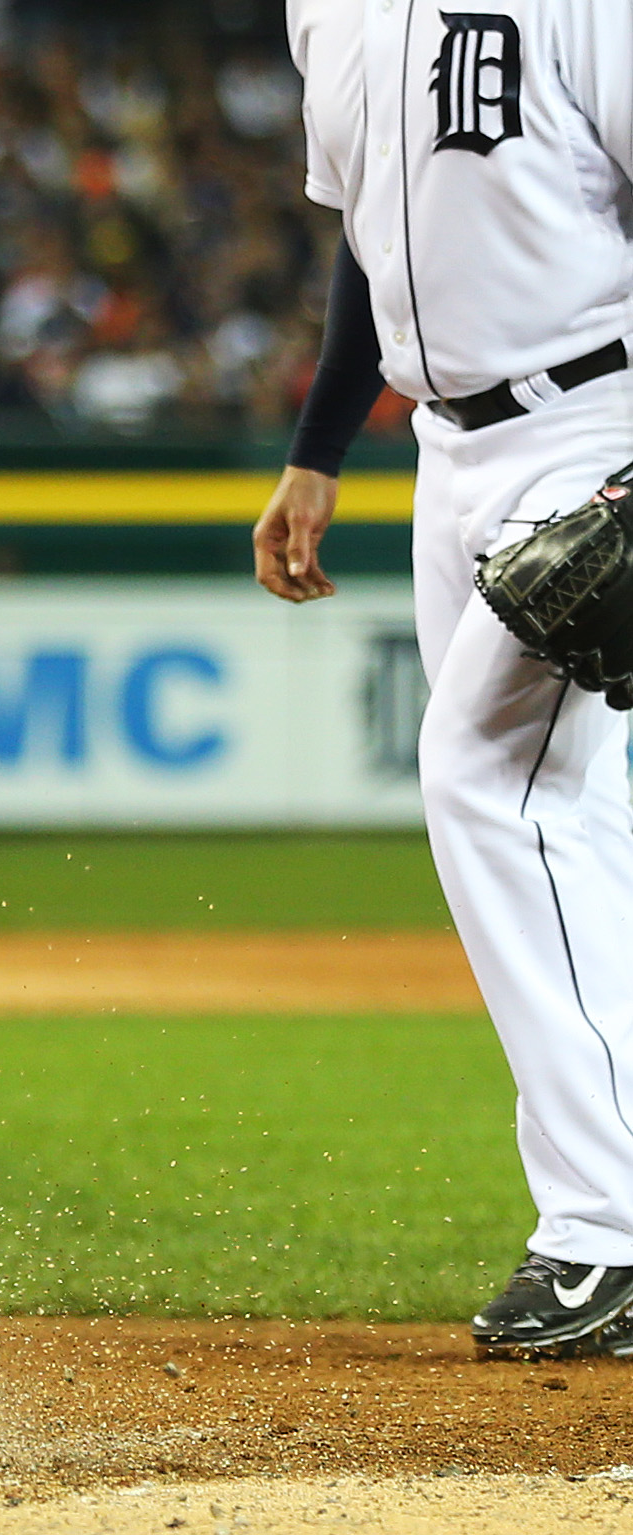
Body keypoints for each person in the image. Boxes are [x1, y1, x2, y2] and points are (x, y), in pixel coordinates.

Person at [260, 2, 633, 1358]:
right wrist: (318, 447)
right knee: (567, 818)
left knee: (487, 783)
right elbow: (370, 237)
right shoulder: (324, 7)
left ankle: (606, 1228)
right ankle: (600, 1204)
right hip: (443, 450)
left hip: (593, 416)